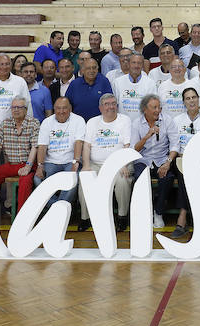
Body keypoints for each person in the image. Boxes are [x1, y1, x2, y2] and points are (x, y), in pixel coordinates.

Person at [80, 93, 133, 232]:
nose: (111, 107)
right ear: (100, 108)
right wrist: (85, 165)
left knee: (123, 181)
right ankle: (85, 218)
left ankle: (122, 217)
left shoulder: (125, 120)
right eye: (107, 104)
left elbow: (127, 145)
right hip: (96, 164)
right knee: (84, 179)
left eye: (113, 103)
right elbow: (86, 146)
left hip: (118, 163)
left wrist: (123, 164)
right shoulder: (92, 122)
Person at [170, 87, 200, 237]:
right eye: (188, 98)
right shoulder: (177, 121)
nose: (191, 101)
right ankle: (197, 216)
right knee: (185, 171)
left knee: (189, 173)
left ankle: (182, 217)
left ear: (198, 99)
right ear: (183, 102)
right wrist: (187, 157)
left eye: (194, 97)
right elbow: (174, 145)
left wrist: (197, 156)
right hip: (182, 160)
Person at [0, 97, 39, 213]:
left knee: (25, 182)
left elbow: (35, 146)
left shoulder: (34, 123)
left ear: (26, 109)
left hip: (28, 164)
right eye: (14, 107)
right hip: (11, 165)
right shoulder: (5, 123)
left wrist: (28, 166)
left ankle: (22, 216)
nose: (16, 110)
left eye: (19, 107)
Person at [131, 95, 180, 229]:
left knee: (167, 178)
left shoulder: (167, 120)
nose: (158, 110)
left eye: (159, 107)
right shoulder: (136, 123)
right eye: (154, 107)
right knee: (139, 178)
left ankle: (158, 212)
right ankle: (143, 213)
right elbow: (134, 149)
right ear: (145, 109)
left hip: (161, 158)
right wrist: (147, 136)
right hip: (143, 159)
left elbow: (175, 144)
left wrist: (168, 162)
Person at [0, 53, 33, 169]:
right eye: (1, 64)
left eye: (7, 64)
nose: (4, 67)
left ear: (11, 65)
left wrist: (27, 129)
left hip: (14, 135)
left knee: (11, 170)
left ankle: (9, 188)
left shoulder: (20, 82)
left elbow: (27, 106)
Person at [34, 97, 85, 215]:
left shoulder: (78, 120)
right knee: (37, 179)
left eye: (64, 108)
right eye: (58, 108)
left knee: (73, 178)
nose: (61, 111)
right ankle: (58, 209)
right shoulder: (47, 122)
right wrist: (40, 165)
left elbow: (79, 142)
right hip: (51, 161)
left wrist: (75, 162)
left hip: (70, 161)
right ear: (54, 109)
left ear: (70, 109)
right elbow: (42, 146)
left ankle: (57, 212)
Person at [111, 54, 156, 120]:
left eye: (139, 63)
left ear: (143, 65)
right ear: (128, 64)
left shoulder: (150, 83)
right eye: (133, 62)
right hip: (123, 124)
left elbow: (152, 107)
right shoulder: (117, 82)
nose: (136, 66)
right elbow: (114, 106)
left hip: (143, 125)